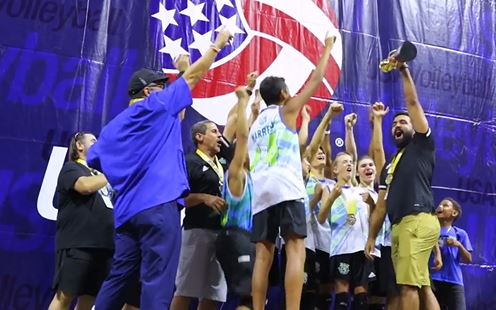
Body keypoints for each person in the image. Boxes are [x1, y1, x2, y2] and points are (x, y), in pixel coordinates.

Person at [87, 28, 233, 310]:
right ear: (148, 91)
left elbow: (95, 159)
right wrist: (217, 45)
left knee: (118, 279)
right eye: (161, 87)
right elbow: (191, 79)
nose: (166, 91)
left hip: (126, 213)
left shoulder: (110, 129)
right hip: (158, 207)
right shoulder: (156, 106)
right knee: (158, 280)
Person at [248, 34, 337, 310]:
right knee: (295, 248)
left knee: (262, 256)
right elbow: (316, 78)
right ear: (284, 94)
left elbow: (294, 144)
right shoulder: (287, 110)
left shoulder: (254, 124)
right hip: (286, 188)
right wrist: (329, 47)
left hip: (261, 192)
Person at [365, 57, 441, 310]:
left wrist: (403, 69)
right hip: (399, 226)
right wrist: (371, 237)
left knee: (409, 287)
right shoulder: (391, 164)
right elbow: (381, 205)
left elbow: (412, 102)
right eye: (394, 123)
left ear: (415, 127)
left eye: (403, 122)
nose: (397, 125)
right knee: (421, 285)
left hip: (417, 220)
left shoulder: (422, 145)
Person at [49, 132, 114, 310]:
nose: (98, 144)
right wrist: (113, 173)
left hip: (103, 245)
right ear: (79, 146)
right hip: (78, 243)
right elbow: (84, 186)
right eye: (93, 141)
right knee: (64, 296)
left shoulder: (99, 173)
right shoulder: (71, 168)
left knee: (89, 298)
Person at [317, 151, 378, 310]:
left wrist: (372, 205)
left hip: (361, 248)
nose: (349, 164)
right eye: (344, 162)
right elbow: (321, 218)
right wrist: (332, 198)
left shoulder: (361, 192)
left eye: (351, 162)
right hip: (341, 248)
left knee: (361, 297)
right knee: (342, 298)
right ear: (335, 169)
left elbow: (371, 221)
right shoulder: (329, 188)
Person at [214, 86, 255, 310]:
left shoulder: (250, 176)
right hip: (235, 236)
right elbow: (242, 136)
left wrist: (254, 106)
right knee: (246, 298)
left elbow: (242, 131)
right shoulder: (236, 174)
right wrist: (242, 102)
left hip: (242, 238)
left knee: (248, 296)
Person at [431, 198, 472, 310]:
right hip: (432, 280)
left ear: (454, 213)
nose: (440, 207)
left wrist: (459, 245)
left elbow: (468, 259)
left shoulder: (460, 234)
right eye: (439, 205)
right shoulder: (430, 231)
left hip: (454, 281)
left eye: (445, 205)